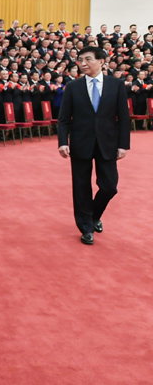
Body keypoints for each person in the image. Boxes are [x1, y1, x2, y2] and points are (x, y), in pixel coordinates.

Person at [57, 46, 130, 245]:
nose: (83, 63)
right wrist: (63, 142)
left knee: (109, 187)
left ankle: (93, 215)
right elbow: (63, 119)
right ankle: (86, 227)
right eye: (80, 60)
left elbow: (123, 117)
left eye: (88, 59)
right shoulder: (73, 87)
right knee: (81, 186)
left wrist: (123, 144)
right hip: (80, 142)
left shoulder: (117, 85)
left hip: (108, 142)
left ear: (102, 62)